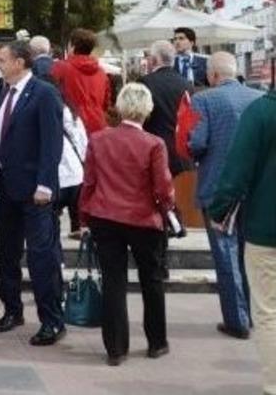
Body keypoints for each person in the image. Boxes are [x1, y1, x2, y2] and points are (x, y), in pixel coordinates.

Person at [79, 83, 175, 366]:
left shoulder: (98, 139)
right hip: (145, 219)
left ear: (119, 107)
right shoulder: (154, 144)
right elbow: (163, 188)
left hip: (106, 216)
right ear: (147, 110)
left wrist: (84, 216)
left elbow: (89, 182)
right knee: (152, 280)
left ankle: (116, 348)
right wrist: (168, 210)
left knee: (113, 281)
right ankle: (157, 342)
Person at [0, 41, 66, 346]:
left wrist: (45, 185)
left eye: (2, 60)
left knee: (40, 257)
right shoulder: (1, 90)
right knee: (7, 252)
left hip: (36, 190)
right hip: (4, 186)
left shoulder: (44, 93)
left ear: (20, 62)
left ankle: (51, 319)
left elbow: (52, 142)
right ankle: (12, 309)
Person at [188, 52, 262, 340]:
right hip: (253, 190)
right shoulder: (257, 98)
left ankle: (237, 320)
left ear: (213, 75)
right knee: (249, 254)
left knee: (226, 254)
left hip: (217, 190)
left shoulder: (204, 100)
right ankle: (252, 314)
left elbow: (197, 143)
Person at [208, 87, 276, 395]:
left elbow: (237, 170)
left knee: (269, 312)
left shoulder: (261, 112)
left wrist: (220, 209)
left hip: (267, 228)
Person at [141, 40, 193, 177]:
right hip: (183, 155)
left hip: (154, 151)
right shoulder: (187, 84)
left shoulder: (145, 82)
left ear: (154, 60)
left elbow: (140, 117)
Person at [50, 28, 111, 135]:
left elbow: (51, 96)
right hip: (98, 125)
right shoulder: (101, 72)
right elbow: (106, 103)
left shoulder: (60, 68)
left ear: (72, 46)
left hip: (72, 124)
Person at [58, 102, 89, 239]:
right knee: (76, 216)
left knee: (51, 220)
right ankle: (77, 229)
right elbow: (84, 147)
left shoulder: (47, 117)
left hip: (57, 177)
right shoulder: (75, 117)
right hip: (77, 175)